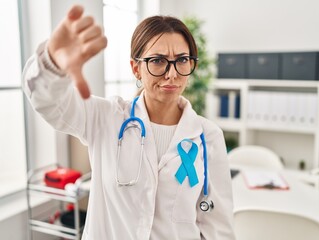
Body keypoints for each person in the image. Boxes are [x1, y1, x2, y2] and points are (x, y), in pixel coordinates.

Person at [22, 5, 235, 240]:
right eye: (157, 60)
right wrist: (52, 62)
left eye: (182, 60)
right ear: (136, 68)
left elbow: (218, 227)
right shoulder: (105, 118)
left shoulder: (208, 136)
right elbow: (49, 102)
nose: (172, 74)